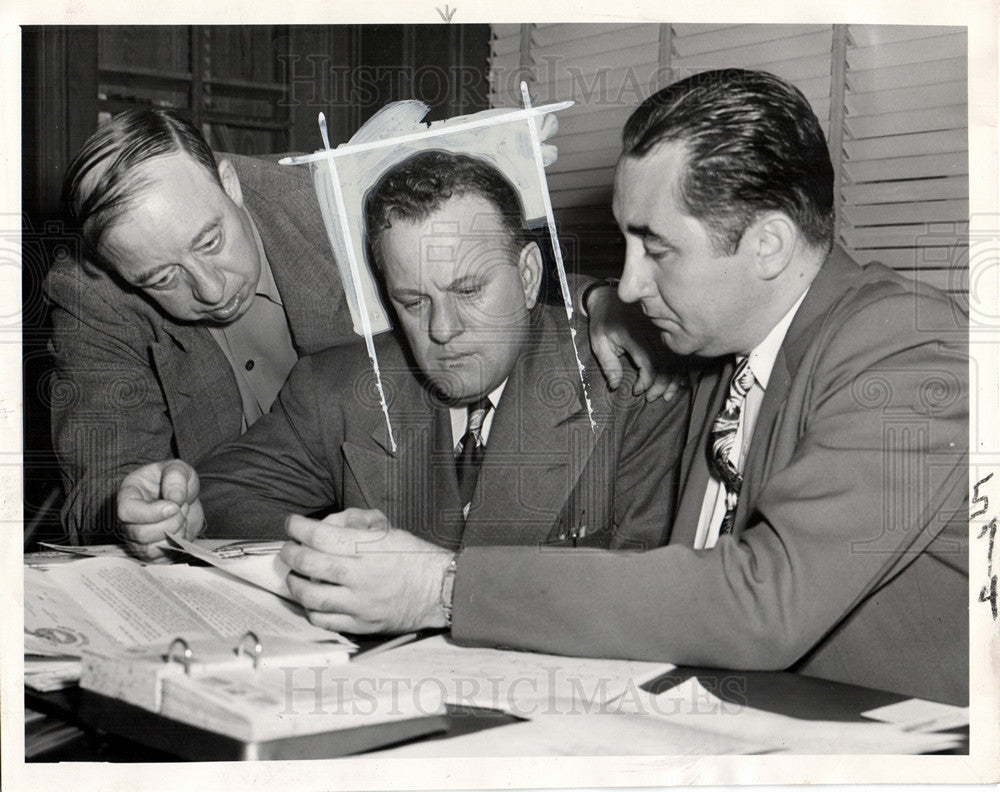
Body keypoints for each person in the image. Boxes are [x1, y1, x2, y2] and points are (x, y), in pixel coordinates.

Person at [155, 69, 963, 705]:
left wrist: (441, 586)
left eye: (654, 247)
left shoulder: (909, 348)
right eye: (622, 243)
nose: (629, 282)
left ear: (767, 243)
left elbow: (762, 604)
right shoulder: (718, 339)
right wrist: (603, 302)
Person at [117, 152, 688, 628]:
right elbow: (216, 497)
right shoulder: (340, 388)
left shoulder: (633, 385)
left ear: (530, 275)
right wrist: (177, 506)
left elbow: (651, 604)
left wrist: (437, 590)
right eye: (413, 303)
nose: (442, 330)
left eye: (468, 291)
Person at [48, 108, 670, 544]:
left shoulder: (334, 204)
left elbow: (471, 253)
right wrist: (139, 506)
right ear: (120, 273)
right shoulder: (92, 293)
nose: (210, 291)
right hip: (271, 512)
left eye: (211, 240)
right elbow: (106, 482)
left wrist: (603, 300)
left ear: (232, 184)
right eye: (161, 279)